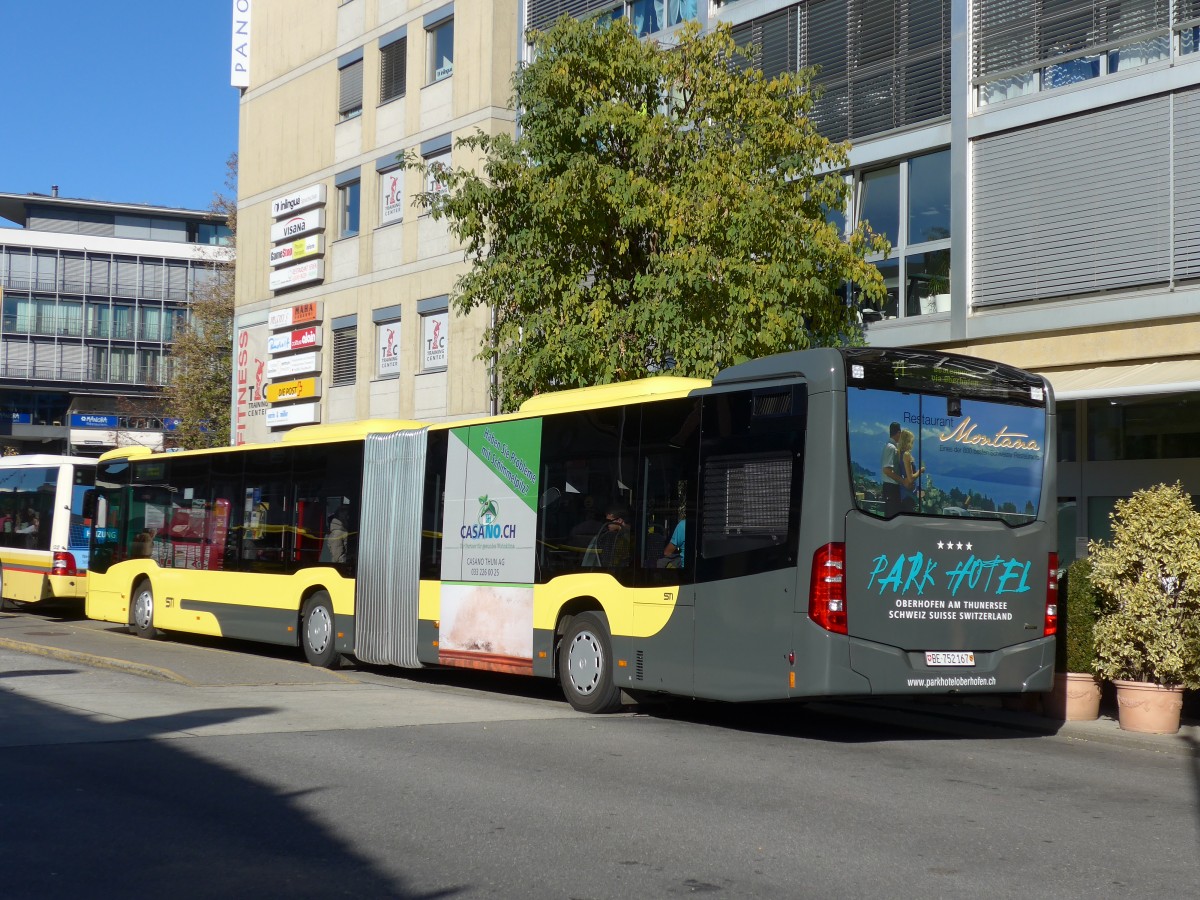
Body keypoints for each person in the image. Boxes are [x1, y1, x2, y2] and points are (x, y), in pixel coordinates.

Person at [583, 503, 632, 568]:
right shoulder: (625, 533)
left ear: (619, 520)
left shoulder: (618, 536)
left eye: (608, 521)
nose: (606, 524)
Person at [896, 429, 925, 512]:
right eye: (911, 442)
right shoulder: (906, 455)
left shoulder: (899, 453)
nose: (912, 444)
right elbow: (910, 478)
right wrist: (921, 470)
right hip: (908, 494)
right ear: (907, 441)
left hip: (903, 492)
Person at [881, 422, 904, 517]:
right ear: (898, 433)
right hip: (891, 488)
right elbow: (887, 470)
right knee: (892, 515)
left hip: (889, 487)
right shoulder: (891, 448)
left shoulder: (889, 446)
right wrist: (902, 480)